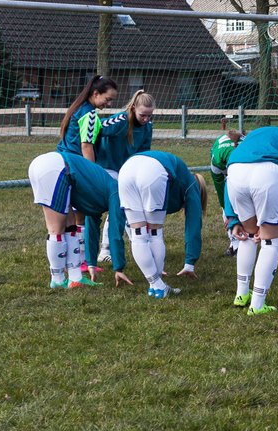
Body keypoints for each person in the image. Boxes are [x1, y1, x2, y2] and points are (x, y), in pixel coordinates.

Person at [224, 125, 278, 315]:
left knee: (248, 235)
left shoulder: (255, 135)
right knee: (270, 242)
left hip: (235, 171)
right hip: (268, 173)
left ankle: (241, 294)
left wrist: (232, 217)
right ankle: (257, 305)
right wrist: (275, 222)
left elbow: (229, 174)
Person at [26, 150, 126, 289]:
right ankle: (58, 279)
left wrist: (91, 263)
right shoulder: (116, 190)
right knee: (56, 228)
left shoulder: (105, 189)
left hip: (52, 166)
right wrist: (118, 267)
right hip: (56, 168)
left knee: (70, 226)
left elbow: (92, 226)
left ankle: (75, 277)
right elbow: (115, 231)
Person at [116, 150, 207, 298]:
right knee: (154, 234)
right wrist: (190, 262)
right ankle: (158, 285)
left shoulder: (181, 173)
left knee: (138, 234)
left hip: (127, 169)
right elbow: (194, 224)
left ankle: (155, 284)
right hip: (153, 171)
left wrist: (117, 264)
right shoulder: (191, 184)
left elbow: (120, 220)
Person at [94, 89, 155, 265]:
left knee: (132, 205)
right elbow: (93, 127)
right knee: (121, 204)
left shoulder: (147, 127)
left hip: (126, 172)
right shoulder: (120, 120)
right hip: (106, 168)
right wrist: (91, 155)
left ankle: (140, 244)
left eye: (149, 116)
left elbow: (144, 154)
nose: (146, 119)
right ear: (134, 108)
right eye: (143, 115)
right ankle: (106, 249)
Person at [57, 75, 119, 161]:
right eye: (107, 99)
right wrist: (91, 171)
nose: (109, 104)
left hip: (62, 157)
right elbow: (86, 147)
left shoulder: (80, 107)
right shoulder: (90, 115)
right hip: (72, 162)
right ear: (96, 94)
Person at [209, 130, 245, 257]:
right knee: (228, 204)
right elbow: (221, 190)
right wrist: (227, 211)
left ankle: (245, 239)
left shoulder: (247, 158)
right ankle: (234, 244)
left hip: (247, 172)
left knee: (244, 202)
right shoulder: (217, 162)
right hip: (224, 166)